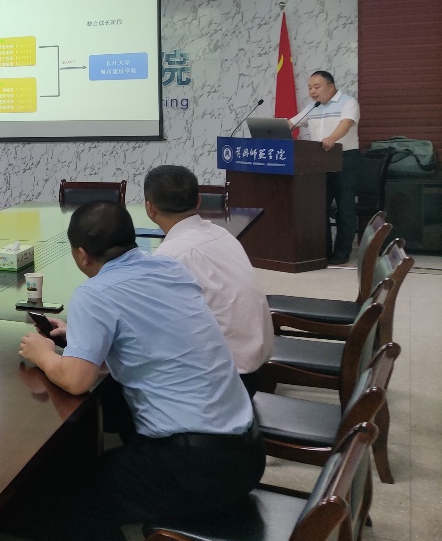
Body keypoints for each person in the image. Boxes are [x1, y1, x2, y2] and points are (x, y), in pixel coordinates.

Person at [18, 201, 263, 541]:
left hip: (196, 465)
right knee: (146, 466)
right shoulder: (170, 268)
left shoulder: (95, 293)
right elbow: (151, 336)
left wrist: (44, 354)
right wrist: (82, 338)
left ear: (81, 255)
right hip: (248, 449)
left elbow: (76, 381)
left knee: (76, 506)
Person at [144, 166, 273, 394]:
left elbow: (153, 327)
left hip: (224, 380)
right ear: (198, 201)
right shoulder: (222, 233)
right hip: (254, 363)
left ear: (150, 208)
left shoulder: (170, 257)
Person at [290, 71, 361, 264]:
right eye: (309, 87)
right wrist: (271, 129)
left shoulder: (348, 102)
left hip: (344, 159)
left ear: (330, 86)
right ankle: (322, 251)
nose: (312, 91)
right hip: (319, 162)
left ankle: (342, 253)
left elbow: (346, 124)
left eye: (317, 87)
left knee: (344, 208)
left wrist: (332, 138)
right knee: (318, 207)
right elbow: (291, 123)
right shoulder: (312, 107)